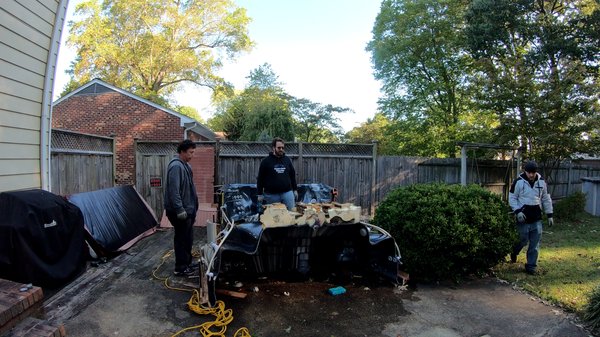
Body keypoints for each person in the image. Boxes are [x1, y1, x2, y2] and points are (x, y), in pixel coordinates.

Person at [509, 161, 554, 275]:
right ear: (525, 171)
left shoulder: (542, 182)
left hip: (536, 218)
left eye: (533, 172)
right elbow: (512, 197)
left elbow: (545, 198)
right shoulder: (518, 182)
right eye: (529, 172)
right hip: (522, 218)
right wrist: (517, 211)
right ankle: (514, 252)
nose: (531, 175)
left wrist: (550, 215)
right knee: (522, 240)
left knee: (535, 244)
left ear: (536, 172)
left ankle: (531, 266)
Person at [164, 139, 199, 276]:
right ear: (182, 152)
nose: (192, 155)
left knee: (188, 238)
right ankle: (180, 267)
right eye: (190, 152)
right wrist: (180, 210)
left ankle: (187, 262)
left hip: (188, 210)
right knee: (181, 238)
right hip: (179, 212)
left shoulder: (186, 166)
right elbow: (174, 191)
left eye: (193, 152)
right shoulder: (176, 167)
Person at [256, 137, 298, 211]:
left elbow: (292, 175)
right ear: (273, 148)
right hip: (271, 196)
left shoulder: (287, 160)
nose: (281, 149)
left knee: (291, 215)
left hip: (287, 194)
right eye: (279, 148)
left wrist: (295, 189)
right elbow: (260, 178)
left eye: (282, 147)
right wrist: (259, 194)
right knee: (274, 218)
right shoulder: (265, 161)